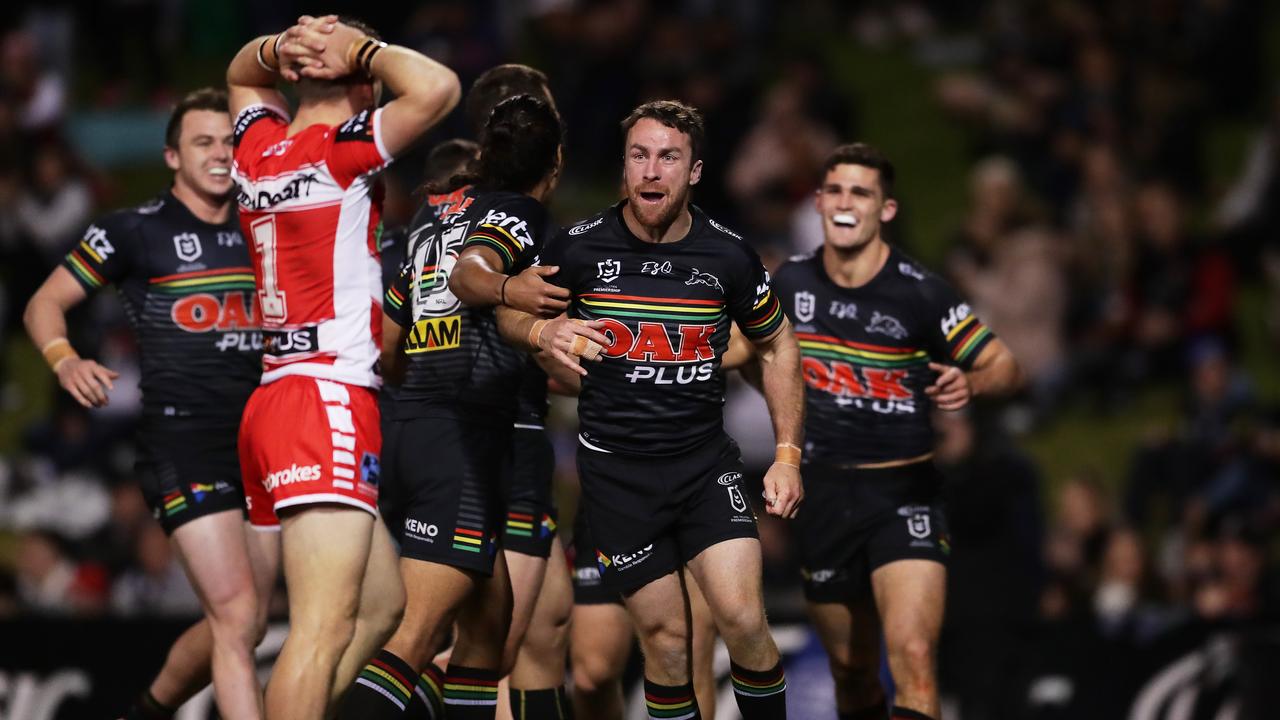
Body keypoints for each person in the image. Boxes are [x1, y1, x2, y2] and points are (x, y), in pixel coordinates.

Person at [499, 100, 804, 720]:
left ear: (694, 172)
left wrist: (787, 456)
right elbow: (509, 307)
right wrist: (541, 335)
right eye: (639, 155)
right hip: (617, 481)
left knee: (744, 618)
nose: (651, 170)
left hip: (702, 469)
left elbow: (777, 344)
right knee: (665, 645)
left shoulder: (729, 256)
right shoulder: (579, 249)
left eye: (668, 157)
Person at [226, 16, 460, 718]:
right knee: (322, 627)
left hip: (275, 398)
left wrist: (278, 50)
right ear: (365, 78)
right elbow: (440, 88)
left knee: (383, 609)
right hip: (326, 396)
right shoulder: (344, 152)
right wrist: (360, 48)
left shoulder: (257, 149)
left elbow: (241, 75)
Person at [24, 88, 277, 719]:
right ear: (171, 156)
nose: (220, 154)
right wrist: (65, 359)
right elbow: (43, 303)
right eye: (202, 142)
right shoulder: (132, 230)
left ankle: (144, 712)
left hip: (265, 440)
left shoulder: (266, 226)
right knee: (239, 614)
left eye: (229, 141)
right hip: (183, 441)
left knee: (239, 622)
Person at [764, 143, 1022, 720]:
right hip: (824, 497)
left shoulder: (920, 291)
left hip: (903, 494)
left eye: (861, 192)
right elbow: (745, 352)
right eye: (836, 190)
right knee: (852, 673)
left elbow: (1005, 365)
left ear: (885, 209)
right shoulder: (790, 283)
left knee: (912, 655)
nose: (846, 202)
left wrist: (972, 384)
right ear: (820, 201)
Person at [340, 94, 566, 720]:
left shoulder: (431, 219)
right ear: (556, 165)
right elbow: (474, 272)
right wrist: (505, 289)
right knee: (413, 638)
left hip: (407, 427)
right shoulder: (521, 216)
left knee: (489, 629)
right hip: (462, 443)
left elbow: (389, 341)